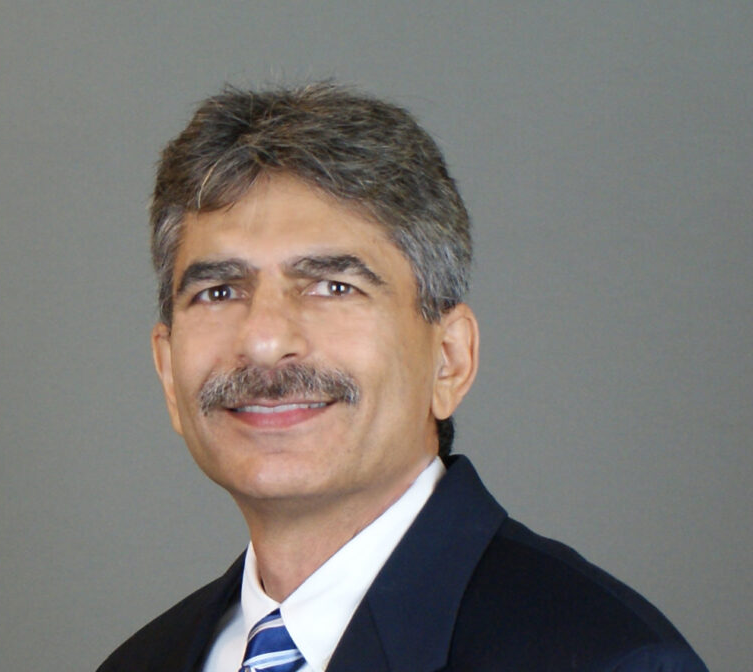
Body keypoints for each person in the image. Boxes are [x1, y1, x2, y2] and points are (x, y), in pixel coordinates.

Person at [98, 83, 706, 671]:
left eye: (334, 286)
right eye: (219, 290)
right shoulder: (143, 662)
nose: (264, 339)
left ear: (449, 360)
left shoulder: (611, 660)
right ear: (168, 372)